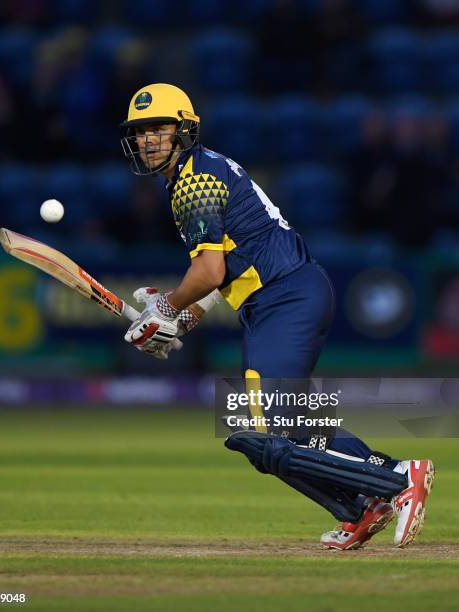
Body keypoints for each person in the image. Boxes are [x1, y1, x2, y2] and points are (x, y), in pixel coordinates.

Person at [119, 83, 434, 550]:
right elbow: (226, 270)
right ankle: (362, 504)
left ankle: (396, 476)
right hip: (283, 297)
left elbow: (208, 272)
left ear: (185, 130)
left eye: (158, 128)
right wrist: (180, 319)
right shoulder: (202, 171)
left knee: (266, 428)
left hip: (285, 297)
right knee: (278, 433)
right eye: (141, 131)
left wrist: (167, 308)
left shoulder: (193, 181)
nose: (148, 140)